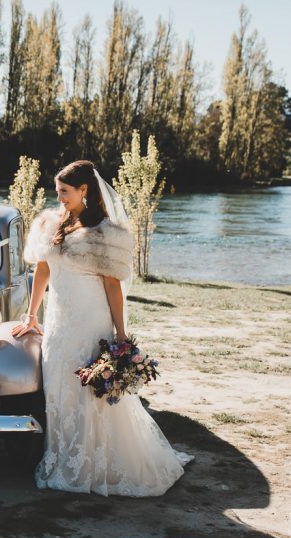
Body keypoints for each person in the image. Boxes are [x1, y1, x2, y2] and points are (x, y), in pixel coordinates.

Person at [11, 160, 192, 496]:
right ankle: (64, 457)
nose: (59, 197)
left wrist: (120, 333)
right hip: (59, 322)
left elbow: (112, 286)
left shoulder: (106, 233)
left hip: (90, 321)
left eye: (65, 191)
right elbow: (43, 271)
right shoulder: (50, 223)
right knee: (58, 386)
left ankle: (96, 464)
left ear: (84, 190)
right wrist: (32, 315)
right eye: (57, 191)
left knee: (90, 392)